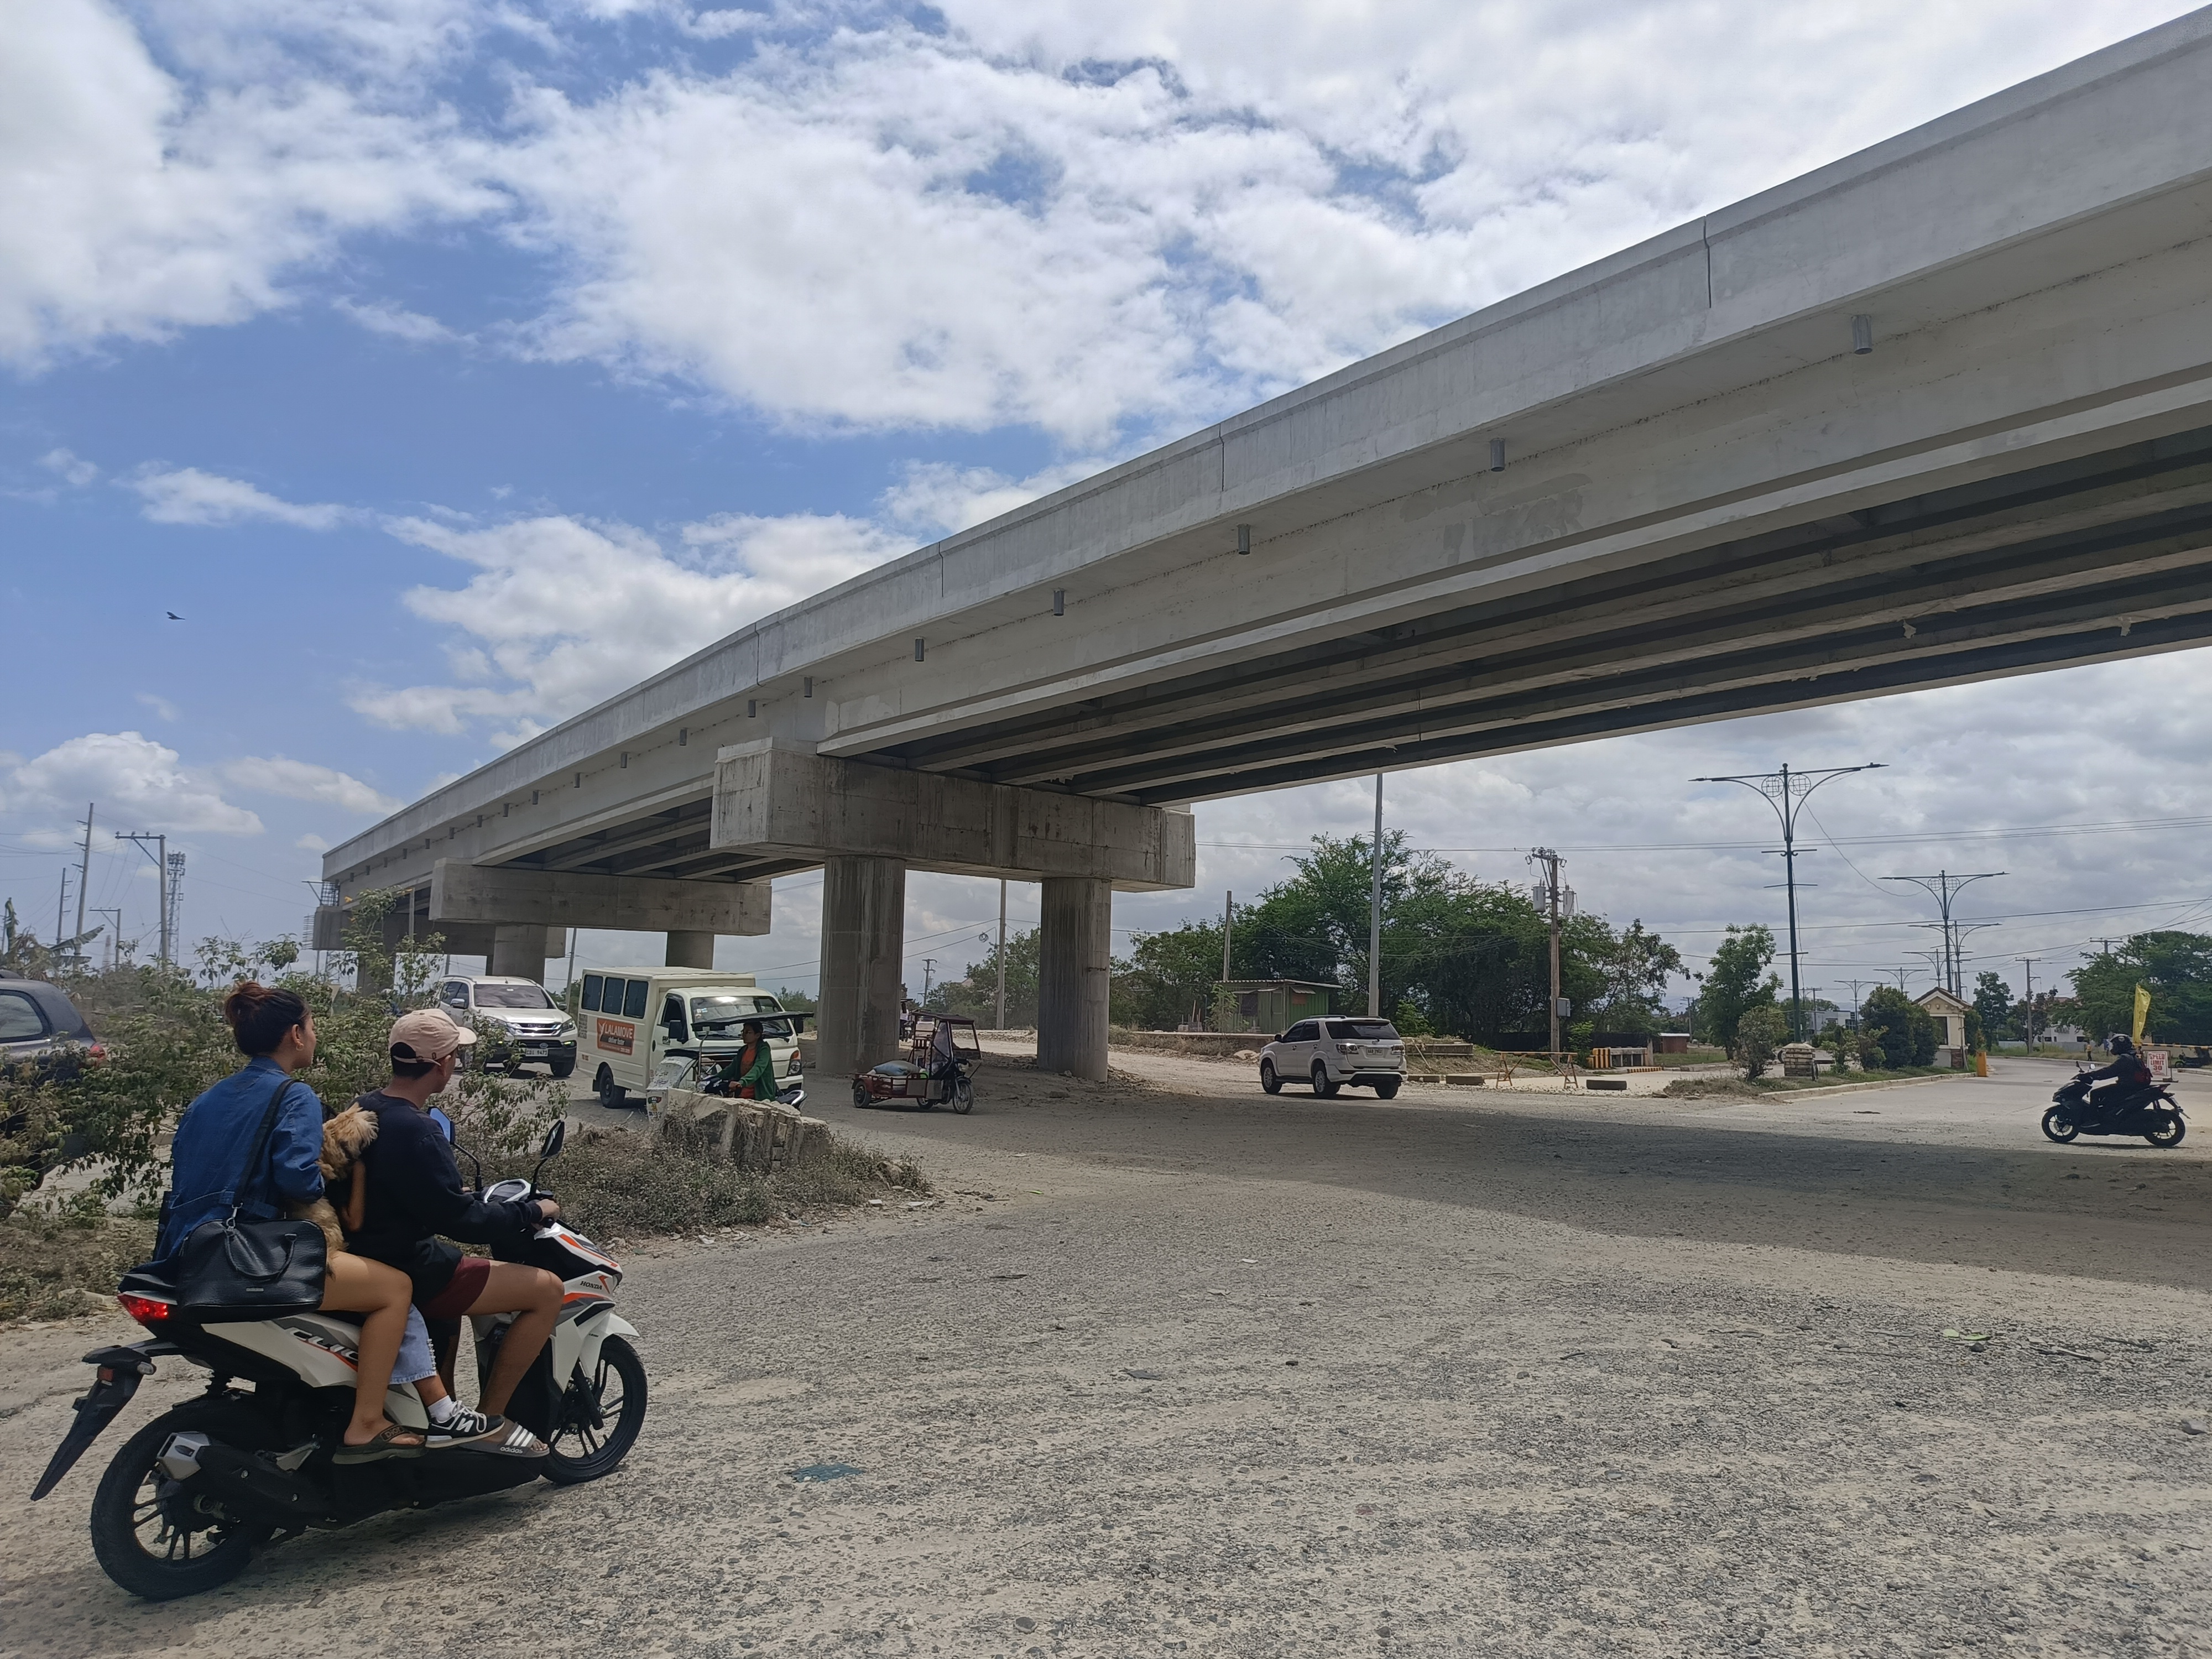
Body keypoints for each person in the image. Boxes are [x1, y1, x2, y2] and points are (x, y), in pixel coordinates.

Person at [158, 984, 426, 1463]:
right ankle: (367, 1422)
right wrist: (342, 1164)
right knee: (396, 1289)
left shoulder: (207, 1100)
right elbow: (299, 1182)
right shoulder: (293, 1094)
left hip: (187, 1255)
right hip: (248, 1259)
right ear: (296, 1034)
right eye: (313, 1026)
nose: (315, 1035)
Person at [345, 1008, 560, 1452]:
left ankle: (439, 1407)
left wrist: (444, 1195)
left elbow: (396, 1189)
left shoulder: (364, 1108)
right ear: (442, 1063)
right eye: (456, 1056)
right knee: (547, 1290)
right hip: (410, 1263)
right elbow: (462, 1220)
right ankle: (492, 1421)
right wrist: (532, 1211)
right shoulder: (421, 1130)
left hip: (366, 1255)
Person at [2080, 1032, 2153, 1116]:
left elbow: (2109, 1072)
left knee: (2095, 1093)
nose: (2113, 1047)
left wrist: (2091, 1075)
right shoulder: (2133, 1056)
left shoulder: (2125, 1058)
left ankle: (2092, 1119)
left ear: (2120, 1046)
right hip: (2134, 1087)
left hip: (2126, 1087)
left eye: (2115, 1045)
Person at [724, 1019, 780, 1100]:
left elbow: (757, 1069)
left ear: (757, 1035)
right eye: (743, 1032)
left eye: (748, 1032)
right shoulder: (743, 1050)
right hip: (741, 1096)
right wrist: (715, 1078)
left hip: (760, 1097)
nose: (744, 1035)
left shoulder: (764, 1050)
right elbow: (731, 1069)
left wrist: (742, 1082)